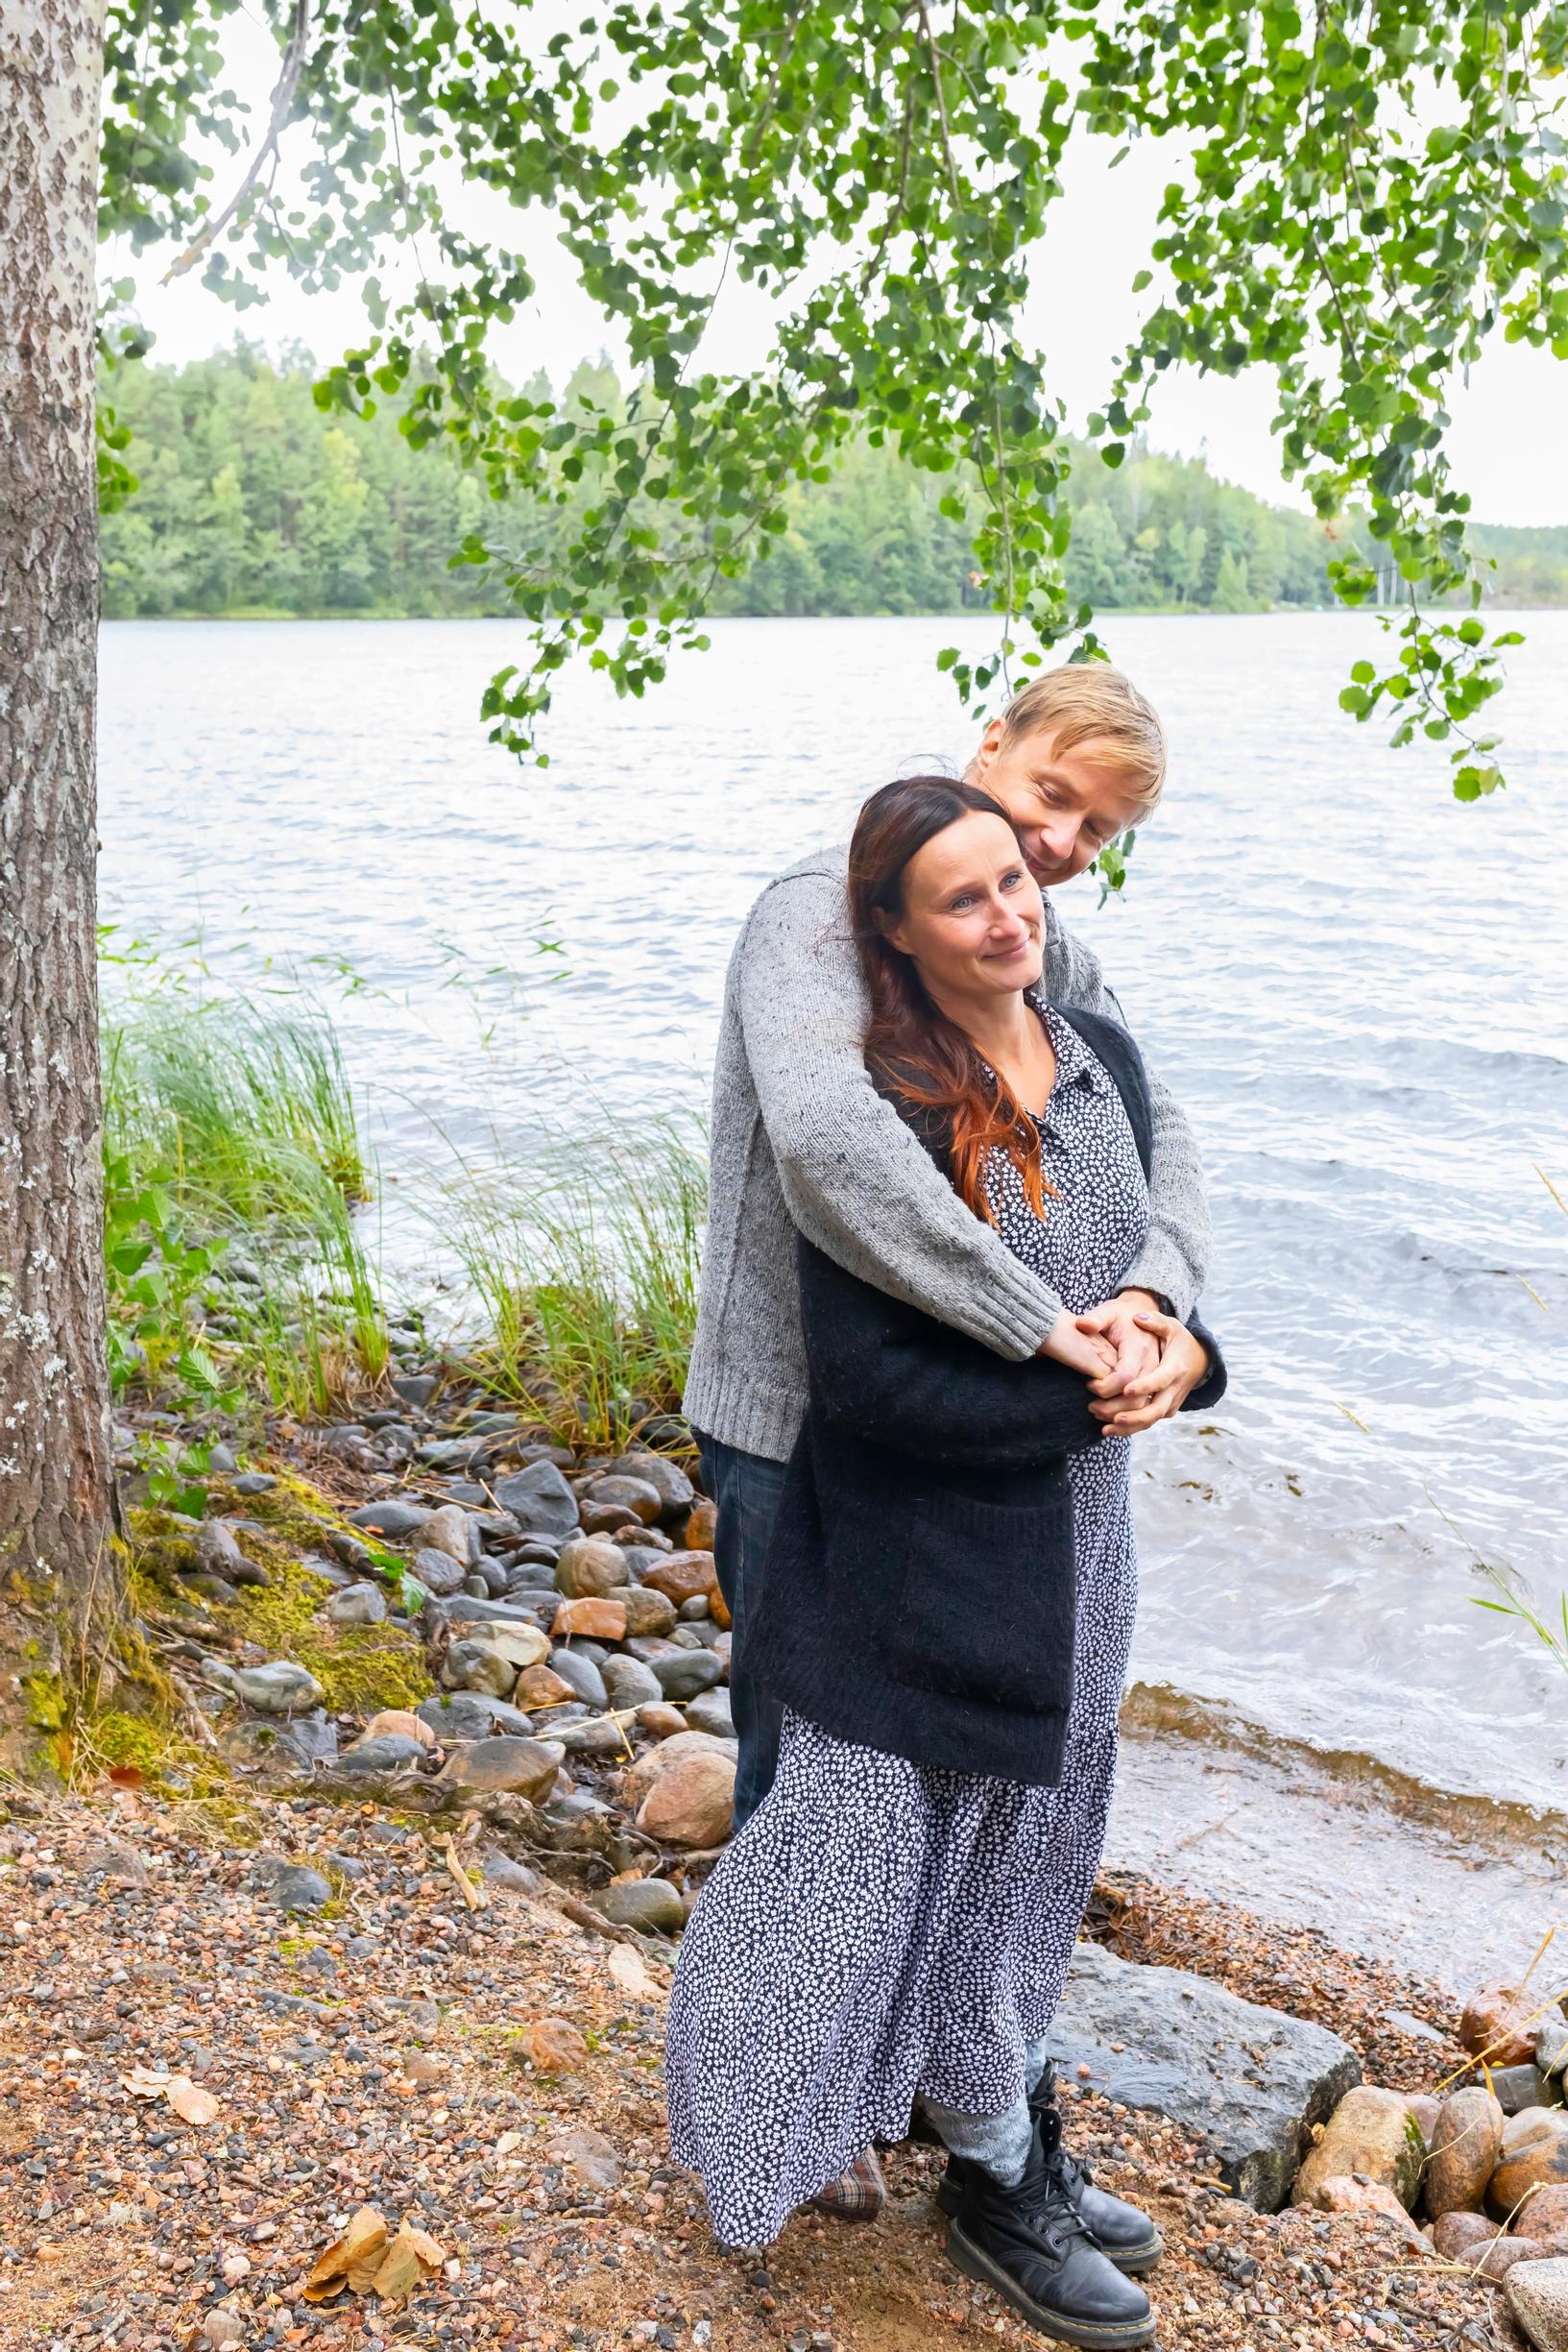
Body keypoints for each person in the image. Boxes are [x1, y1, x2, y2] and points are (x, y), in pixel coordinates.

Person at [666, 776, 1225, 2348]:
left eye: (1019, 882)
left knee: (1027, 1857)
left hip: (1079, 1544)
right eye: (964, 897)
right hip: (924, 1548)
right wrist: (1085, 1384)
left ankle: (994, 2137)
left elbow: (1156, 1263)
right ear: (895, 936)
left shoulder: (1097, 1056)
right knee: (846, 1855)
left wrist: (1180, 1352)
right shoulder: (885, 1107)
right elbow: (866, 1380)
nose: (1011, 910)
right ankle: (857, 2145)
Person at [683, 665, 1210, 1831]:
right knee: (807, 1770)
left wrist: (1156, 1298)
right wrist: (1033, 1320)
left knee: (946, 1756)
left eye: (1096, 830)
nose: (1060, 842)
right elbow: (829, 1141)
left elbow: (1155, 1120)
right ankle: (767, 1949)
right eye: (1054, 793)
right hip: (793, 1414)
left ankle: (932, 1951)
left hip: (960, 1421)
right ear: (991, 742)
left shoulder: (1044, 948)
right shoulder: (818, 913)